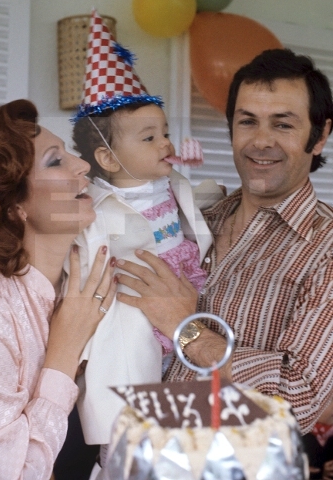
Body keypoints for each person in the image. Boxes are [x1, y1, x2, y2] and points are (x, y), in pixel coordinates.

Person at [114, 48, 333, 438]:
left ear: (320, 137)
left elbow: (294, 401)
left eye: (283, 125)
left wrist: (187, 328)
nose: (260, 141)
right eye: (247, 121)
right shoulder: (188, 220)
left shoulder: (324, 248)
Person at [67, 11, 223, 459]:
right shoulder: (92, 202)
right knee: (128, 400)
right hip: (130, 303)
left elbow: (198, 201)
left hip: (183, 293)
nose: (166, 145)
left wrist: (213, 188)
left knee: (181, 389)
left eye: (166, 133)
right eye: (150, 138)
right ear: (109, 158)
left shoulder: (171, 182)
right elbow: (75, 250)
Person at [0, 98, 116, 479]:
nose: (83, 164)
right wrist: (63, 352)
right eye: (56, 161)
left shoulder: (93, 273)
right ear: (15, 207)